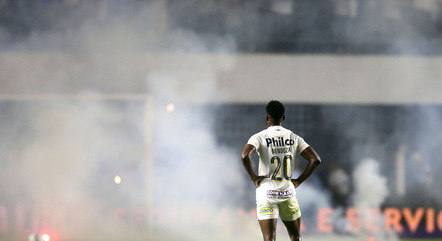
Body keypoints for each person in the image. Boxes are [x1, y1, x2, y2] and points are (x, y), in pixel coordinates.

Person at [241, 100, 321, 241]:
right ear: (283, 118)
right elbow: (315, 160)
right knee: (295, 236)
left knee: (269, 238)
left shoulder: (259, 137)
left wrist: (254, 177)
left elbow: (245, 156)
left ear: (267, 118)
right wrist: (298, 181)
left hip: (266, 193)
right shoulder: (293, 137)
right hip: (287, 193)